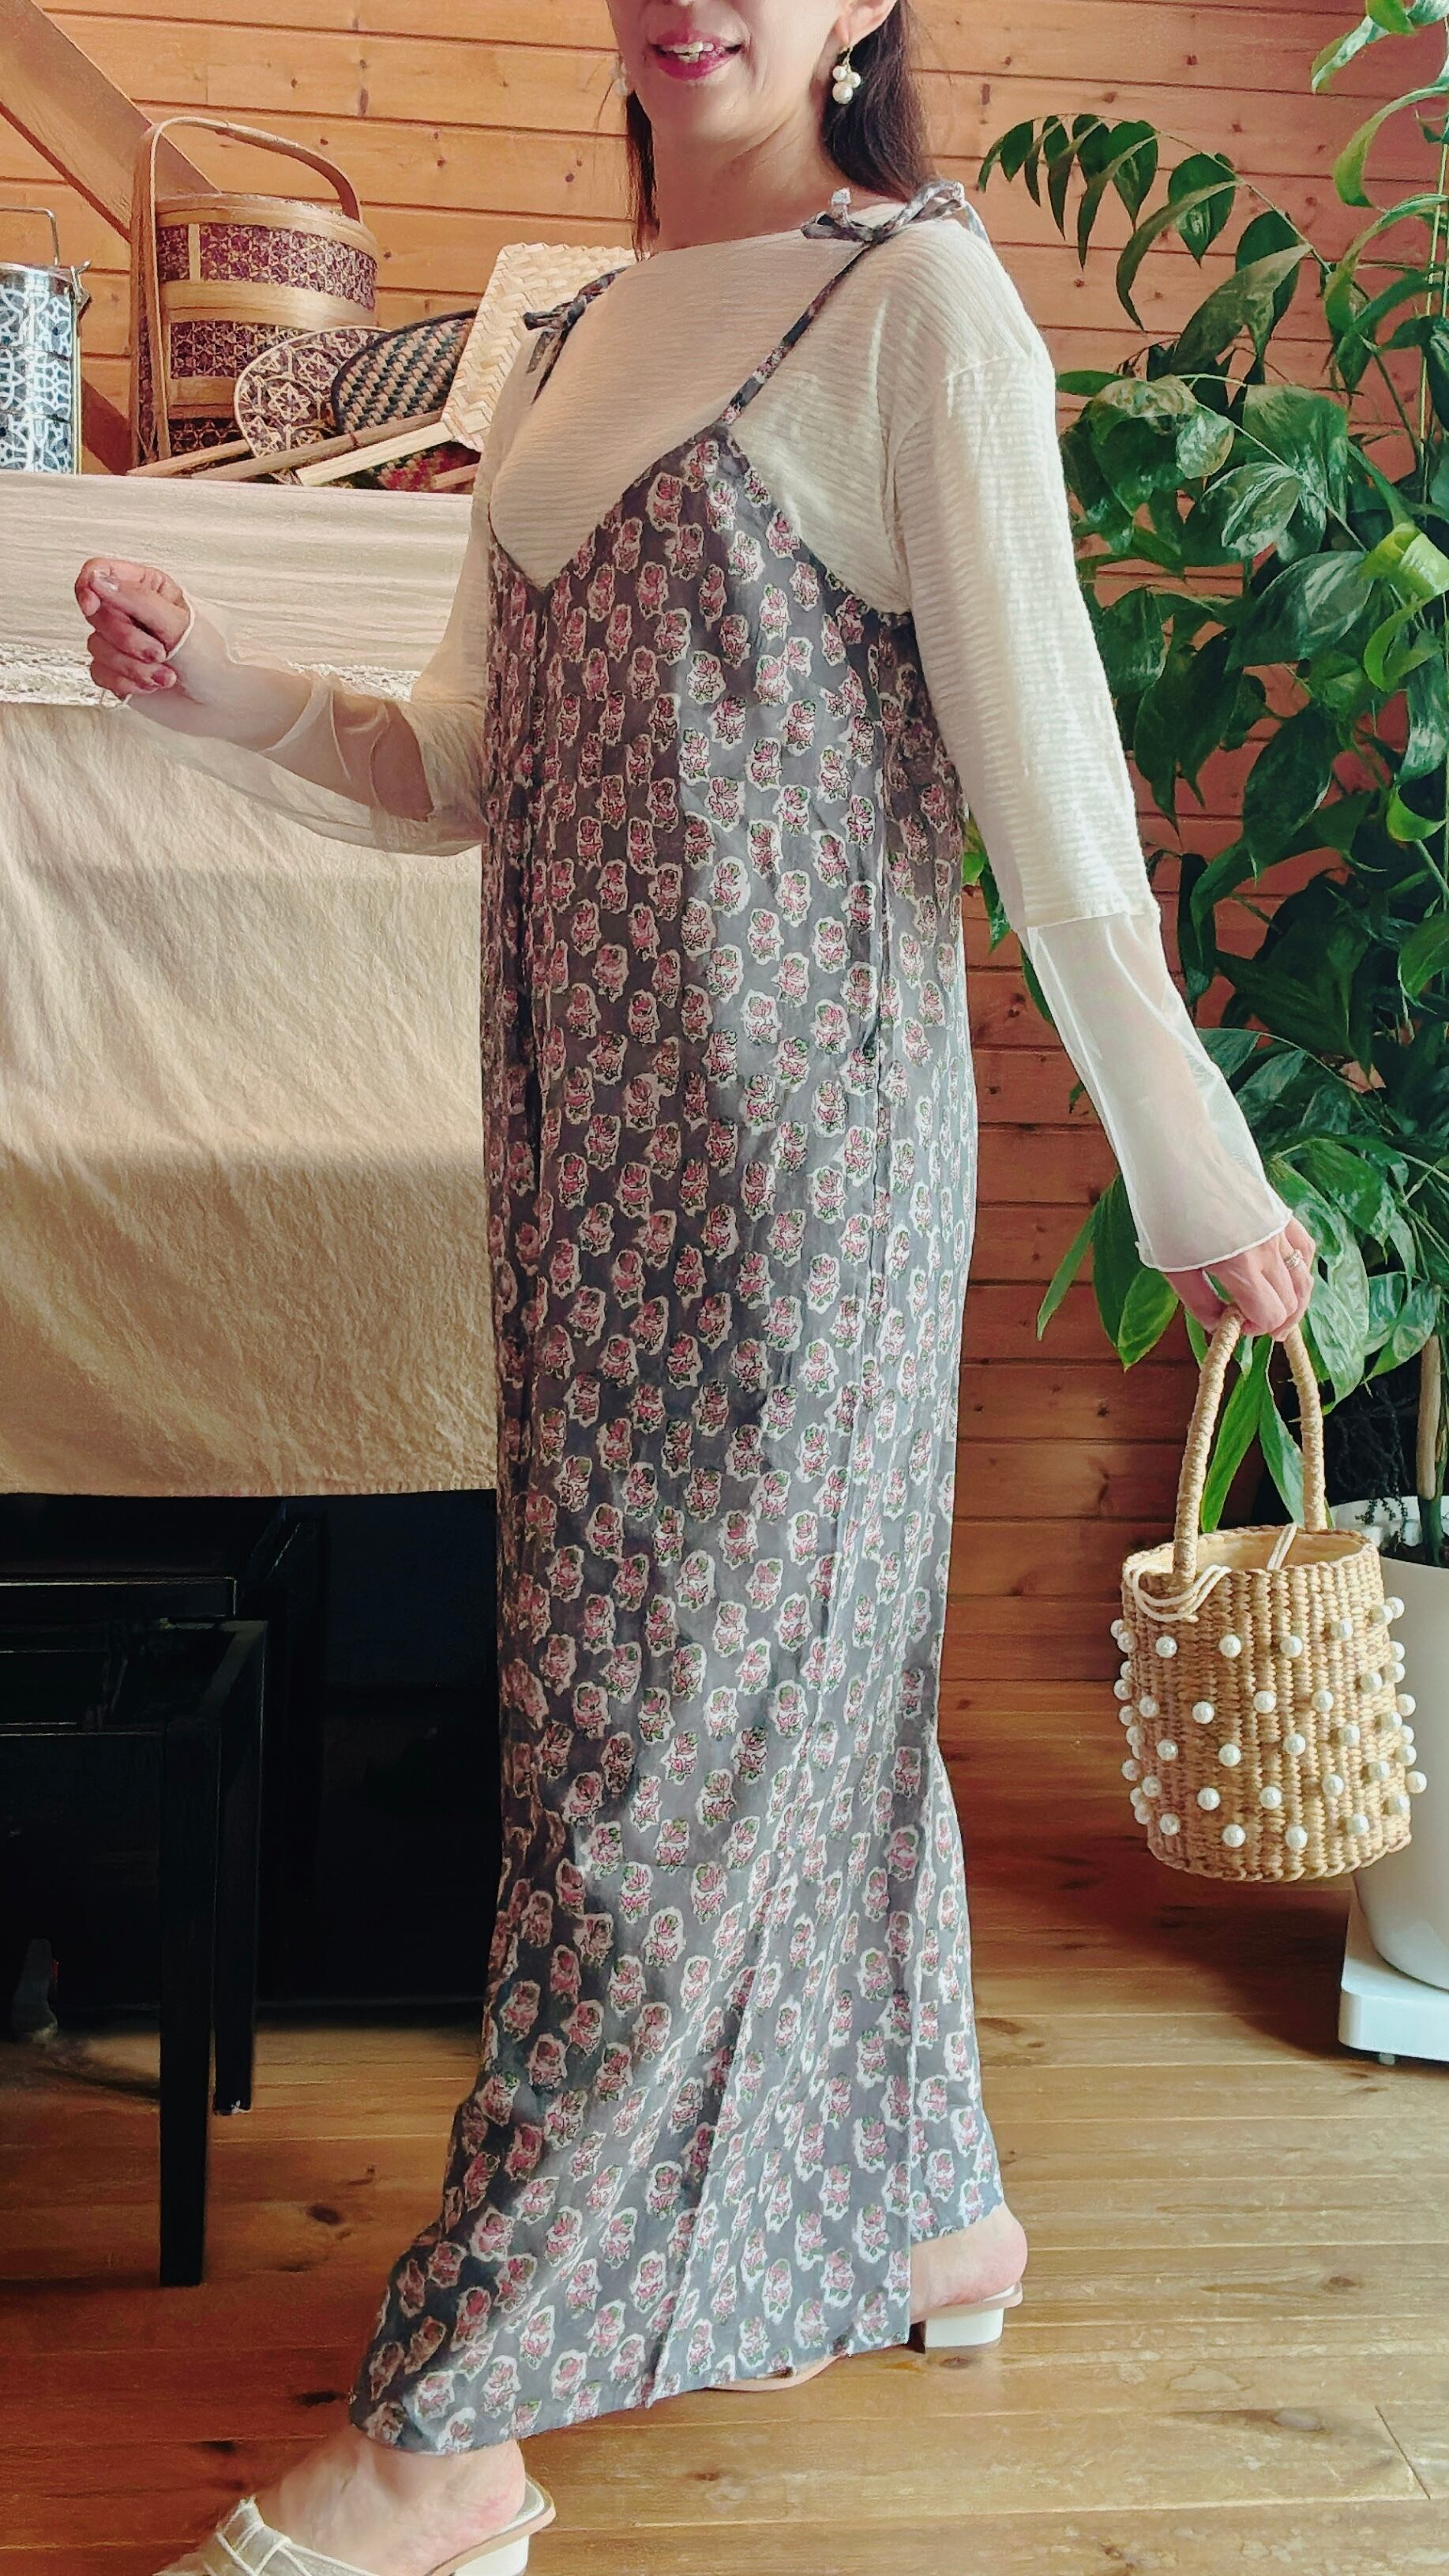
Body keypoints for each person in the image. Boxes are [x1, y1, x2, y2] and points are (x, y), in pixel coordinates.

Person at [75, 6, 1315, 2570]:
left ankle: (449, 2434)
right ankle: (930, 2210)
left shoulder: (912, 307)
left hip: (801, 1178)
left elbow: (1054, 811)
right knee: (757, 1717)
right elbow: (457, 768)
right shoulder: (555, 327)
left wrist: (1190, 1172)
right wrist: (214, 695)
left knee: (645, 1780)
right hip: (581, 1163)